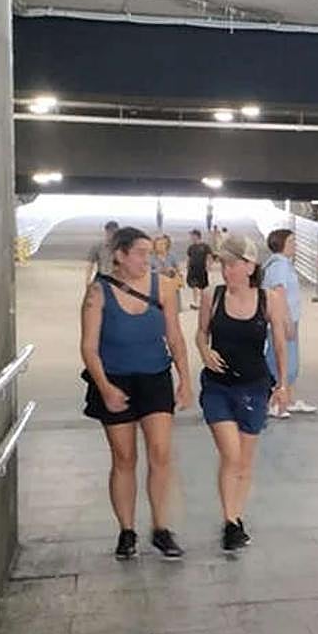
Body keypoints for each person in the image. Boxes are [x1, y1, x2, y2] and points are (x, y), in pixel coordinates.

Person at [80, 227, 192, 560]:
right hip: (114, 380)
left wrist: (185, 378)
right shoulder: (97, 293)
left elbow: (175, 337)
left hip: (155, 378)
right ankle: (126, 530)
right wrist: (105, 388)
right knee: (124, 458)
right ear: (120, 255)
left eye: (150, 252)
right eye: (141, 253)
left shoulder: (164, 288)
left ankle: (161, 528)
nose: (148, 259)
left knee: (160, 453)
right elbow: (88, 347)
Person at [195, 235, 290, 552]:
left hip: (254, 386)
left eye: (233, 264)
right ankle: (230, 518)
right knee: (231, 454)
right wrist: (204, 351)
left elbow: (279, 343)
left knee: (244, 462)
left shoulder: (269, 300)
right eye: (223, 264)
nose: (227, 271)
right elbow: (201, 333)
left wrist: (283, 384)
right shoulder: (212, 295)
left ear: (250, 266)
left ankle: (233, 520)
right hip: (217, 386)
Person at [261, 229, 316, 417]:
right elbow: (279, 294)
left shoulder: (282, 264)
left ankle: (288, 399)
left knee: (290, 361)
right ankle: (275, 402)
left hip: (288, 318)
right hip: (283, 321)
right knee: (283, 362)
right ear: (280, 243)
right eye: (291, 241)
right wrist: (286, 321)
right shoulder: (279, 266)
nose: (295, 245)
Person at [186, 229, 214, 310]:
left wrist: (209, 266)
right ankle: (195, 302)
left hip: (202, 269)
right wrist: (187, 266)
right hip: (192, 269)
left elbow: (209, 257)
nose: (191, 237)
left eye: (192, 235)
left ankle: (202, 302)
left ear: (196, 236)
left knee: (202, 286)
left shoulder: (205, 246)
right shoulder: (191, 247)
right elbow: (189, 257)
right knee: (194, 286)